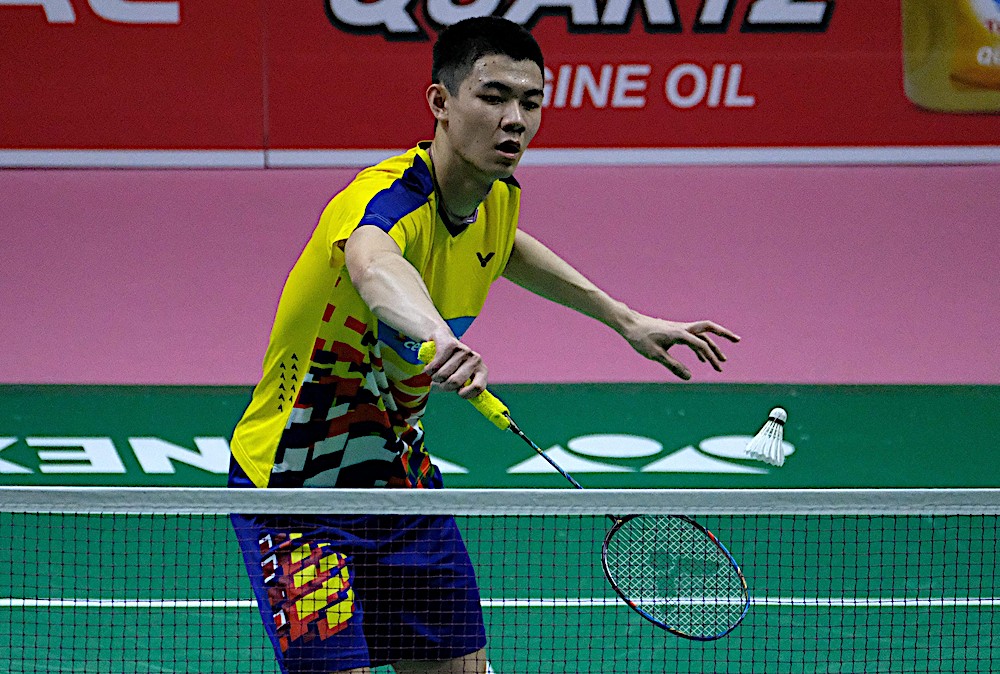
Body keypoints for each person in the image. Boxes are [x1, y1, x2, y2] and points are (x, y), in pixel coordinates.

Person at [228, 15, 739, 674]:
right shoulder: (382, 201)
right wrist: (437, 335)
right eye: (493, 97)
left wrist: (624, 319)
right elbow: (374, 263)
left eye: (531, 102)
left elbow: (506, 248)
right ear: (440, 102)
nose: (514, 120)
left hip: (401, 482)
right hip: (297, 491)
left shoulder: (495, 198)